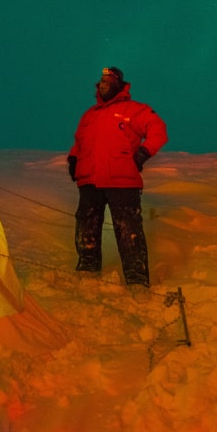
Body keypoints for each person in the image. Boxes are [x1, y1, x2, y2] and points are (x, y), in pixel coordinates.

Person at [67, 66, 168, 288]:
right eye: (101, 80)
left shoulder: (135, 110)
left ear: (119, 85)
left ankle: (136, 280)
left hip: (122, 180)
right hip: (90, 180)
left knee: (128, 228)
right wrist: (73, 159)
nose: (102, 83)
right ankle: (87, 269)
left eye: (108, 80)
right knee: (86, 223)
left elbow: (158, 131)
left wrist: (143, 153)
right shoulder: (89, 115)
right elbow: (79, 142)